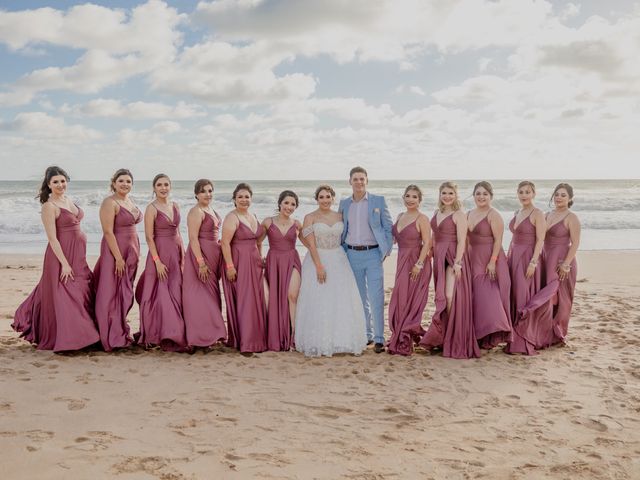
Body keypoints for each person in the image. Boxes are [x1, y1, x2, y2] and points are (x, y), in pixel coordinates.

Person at [13, 166, 100, 352]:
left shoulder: (69, 200)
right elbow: (52, 238)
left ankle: (85, 336)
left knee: (81, 290)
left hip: (78, 255)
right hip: (61, 255)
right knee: (67, 294)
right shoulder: (49, 206)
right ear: (48, 185)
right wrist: (65, 264)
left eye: (62, 181)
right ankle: (72, 339)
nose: (60, 185)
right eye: (55, 182)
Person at [295, 185, 367, 357]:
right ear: (317, 199)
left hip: (339, 258)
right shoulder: (309, 217)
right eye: (321, 197)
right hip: (317, 258)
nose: (325, 200)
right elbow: (310, 244)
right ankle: (319, 340)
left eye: (328, 197)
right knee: (318, 298)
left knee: (341, 298)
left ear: (333, 198)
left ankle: (341, 340)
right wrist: (319, 265)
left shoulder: (341, 215)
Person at [420, 182, 480, 359]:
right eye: (444, 193)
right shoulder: (437, 212)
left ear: (456, 195)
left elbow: (462, 240)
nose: (447, 196)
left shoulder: (459, 214)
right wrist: (429, 251)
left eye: (450, 193)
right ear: (439, 195)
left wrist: (458, 262)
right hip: (439, 257)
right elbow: (433, 236)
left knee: (450, 296)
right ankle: (445, 334)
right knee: (441, 296)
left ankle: (456, 335)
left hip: (453, 257)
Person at [338, 166, 392, 353]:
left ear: (367, 181)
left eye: (362, 179)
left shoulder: (378, 201)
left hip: (374, 254)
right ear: (350, 181)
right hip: (352, 255)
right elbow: (341, 228)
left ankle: (379, 338)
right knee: (360, 298)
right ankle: (367, 335)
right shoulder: (344, 204)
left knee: (377, 296)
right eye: (355, 179)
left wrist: (385, 251)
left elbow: (388, 227)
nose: (359, 182)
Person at [519, 183, 581, 346]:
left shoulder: (571, 217)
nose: (559, 198)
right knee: (547, 298)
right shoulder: (546, 215)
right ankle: (546, 331)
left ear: (570, 199)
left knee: (561, 299)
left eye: (563, 195)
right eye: (557, 194)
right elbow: (538, 237)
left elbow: (575, 243)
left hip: (562, 261)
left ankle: (559, 333)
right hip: (546, 259)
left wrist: (566, 264)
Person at [134, 173, 188, 351]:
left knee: (176, 291)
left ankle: (174, 330)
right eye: (159, 185)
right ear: (154, 188)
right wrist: (157, 261)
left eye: (166, 184)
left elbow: (178, 232)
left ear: (170, 186)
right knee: (160, 294)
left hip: (176, 252)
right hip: (160, 254)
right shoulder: (152, 208)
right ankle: (160, 334)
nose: (163, 188)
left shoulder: (175, 205)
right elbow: (149, 238)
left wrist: (184, 254)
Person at [93, 168, 142, 351]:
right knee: (112, 293)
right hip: (115, 253)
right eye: (121, 181)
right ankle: (110, 336)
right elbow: (108, 232)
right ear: (113, 183)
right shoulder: (109, 202)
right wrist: (118, 258)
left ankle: (119, 331)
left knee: (125, 293)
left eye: (128, 181)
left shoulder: (129, 201)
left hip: (131, 253)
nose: (125, 184)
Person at [221, 183, 267, 354]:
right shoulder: (232, 217)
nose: (244, 200)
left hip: (254, 263)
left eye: (247, 196)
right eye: (240, 197)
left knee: (256, 301)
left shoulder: (253, 216)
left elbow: (258, 241)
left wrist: (261, 257)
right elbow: (225, 243)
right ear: (234, 199)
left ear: (251, 199)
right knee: (245, 301)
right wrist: (230, 266)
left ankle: (257, 339)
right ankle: (247, 342)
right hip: (239, 262)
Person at [504, 181, 549, 355]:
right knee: (514, 294)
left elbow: (540, 240)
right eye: (521, 192)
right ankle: (513, 336)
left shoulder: (538, 213)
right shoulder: (518, 212)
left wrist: (533, 262)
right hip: (514, 255)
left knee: (523, 295)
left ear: (534, 194)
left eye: (527, 192)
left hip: (528, 257)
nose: (524, 195)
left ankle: (524, 339)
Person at [387, 185, 432, 356]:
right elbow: (393, 239)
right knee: (400, 297)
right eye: (408, 196)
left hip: (416, 262)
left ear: (420, 200)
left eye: (414, 197)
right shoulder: (400, 216)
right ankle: (399, 332)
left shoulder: (422, 218)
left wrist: (419, 265)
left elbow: (427, 243)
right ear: (403, 197)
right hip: (402, 261)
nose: (410, 199)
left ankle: (405, 334)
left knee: (411, 299)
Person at [466, 181, 512, 349]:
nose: (481, 197)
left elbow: (498, 240)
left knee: (488, 295)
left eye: (485, 194)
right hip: (472, 256)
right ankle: (479, 334)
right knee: (475, 295)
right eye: (478, 193)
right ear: (473, 196)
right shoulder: (468, 213)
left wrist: (492, 261)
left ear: (491, 196)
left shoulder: (494, 214)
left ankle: (494, 331)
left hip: (489, 256)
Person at [182, 179, 226, 349]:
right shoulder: (196, 211)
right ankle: (198, 337)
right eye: (203, 191)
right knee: (199, 298)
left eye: (210, 191)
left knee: (212, 296)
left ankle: (209, 336)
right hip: (199, 257)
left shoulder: (211, 209)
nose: (207, 194)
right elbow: (193, 238)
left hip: (213, 256)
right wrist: (200, 262)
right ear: (196, 195)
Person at [259, 190, 302, 351]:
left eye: (293, 204)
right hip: (274, 261)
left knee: (292, 295)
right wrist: (260, 257)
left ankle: (294, 337)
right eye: (286, 203)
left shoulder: (297, 224)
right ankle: (277, 335)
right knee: (275, 299)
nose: (289, 207)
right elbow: (257, 242)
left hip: (292, 260)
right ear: (280, 203)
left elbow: (309, 241)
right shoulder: (268, 222)